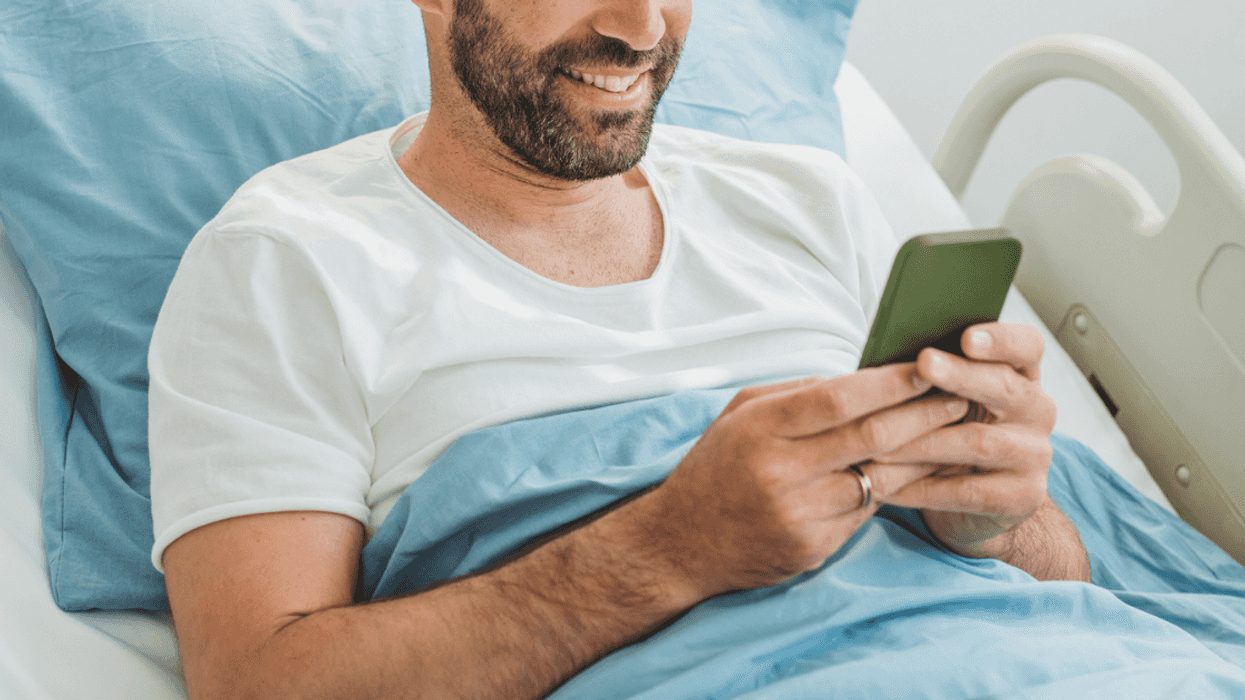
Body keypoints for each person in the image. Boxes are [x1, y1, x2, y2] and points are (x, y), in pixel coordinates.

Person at [149, 0, 1091, 698]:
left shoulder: (808, 201)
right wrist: (670, 548)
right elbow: (253, 680)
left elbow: (1062, 584)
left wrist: (995, 522)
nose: (641, 28)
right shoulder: (283, 259)